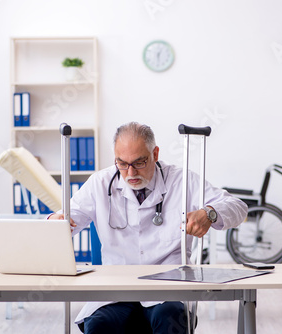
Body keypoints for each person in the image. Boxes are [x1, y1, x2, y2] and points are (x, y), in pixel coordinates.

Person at [49, 122, 247, 334]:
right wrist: (56, 222)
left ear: (155, 153)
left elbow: (238, 207)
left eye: (139, 162)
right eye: (122, 163)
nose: (130, 172)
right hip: (117, 290)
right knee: (99, 326)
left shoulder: (182, 180)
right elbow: (66, 220)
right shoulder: (100, 183)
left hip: (167, 289)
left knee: (171, 321)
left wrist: (210, 213)